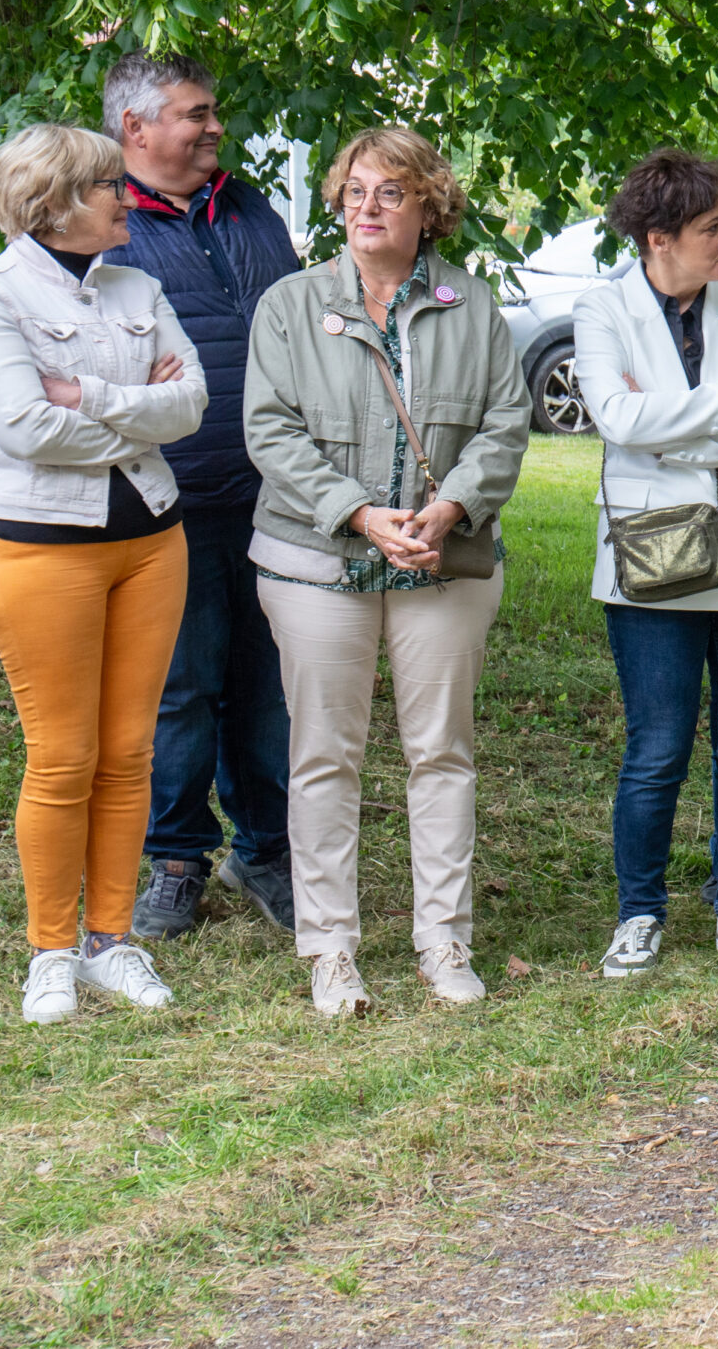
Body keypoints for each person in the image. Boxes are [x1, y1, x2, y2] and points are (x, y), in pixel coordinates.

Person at [244, 126, 531, 1016]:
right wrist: (360, 514)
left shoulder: (470, 304)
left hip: (442, 561)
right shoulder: (291, 304)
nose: (367, 207)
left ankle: (444, 939)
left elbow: (505, 423)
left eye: (391, 192)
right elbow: (270, 431)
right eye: (355, 191)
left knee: (441, 752)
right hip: (316, 561)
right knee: (322, 756)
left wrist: (451, 507)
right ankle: (331, 948)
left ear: (428, 206)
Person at [0, 124, 209, 1023]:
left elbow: (191, 404)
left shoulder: (137, 286)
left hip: (153, 544)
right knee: (64, 758)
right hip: (37, 550)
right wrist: (140, 411)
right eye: (107, 186)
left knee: (129, 754)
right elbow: (25, 427)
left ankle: (110, 941)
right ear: (53, 204)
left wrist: (89, 396)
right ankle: (51, 952)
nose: (126, 198)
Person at [573, 151, 718, 976]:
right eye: (713, 228)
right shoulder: (602, 309)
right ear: (658, 238)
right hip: (653, 557)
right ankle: (639, 911)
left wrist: (670, 430)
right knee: (657, 749)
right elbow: (617, 417)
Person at [96, 53, 304, 944]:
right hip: (170, 499)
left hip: (277, 494)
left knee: (267, 687)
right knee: (179, 689)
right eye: (196, 113)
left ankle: (266, 852)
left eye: (214, 111)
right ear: (136, 127)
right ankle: (177, 860)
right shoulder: (105, 223)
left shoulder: (249, 207)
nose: (216, 126)